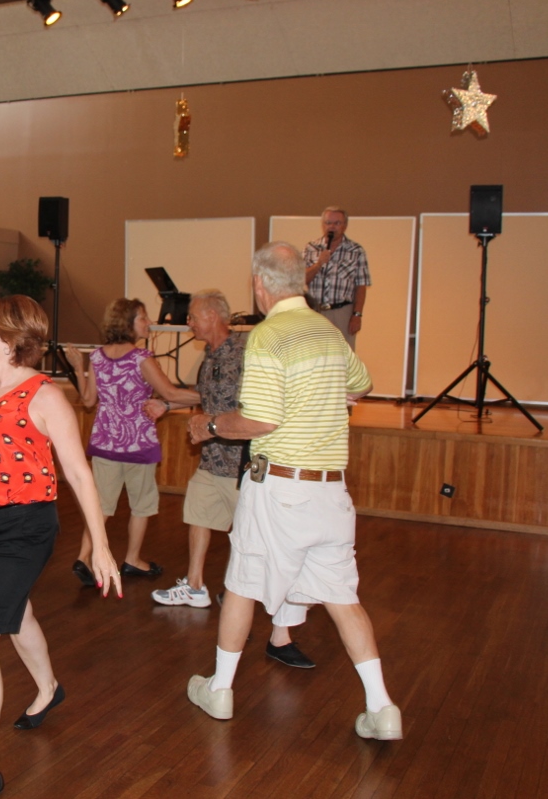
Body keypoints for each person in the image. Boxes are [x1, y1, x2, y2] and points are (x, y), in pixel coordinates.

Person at [184, 242, 401, 742]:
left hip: (280, 487)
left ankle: (220, 689)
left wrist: (209, 424)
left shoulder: (267, 337)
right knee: (343, 597)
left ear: (259, 286)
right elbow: (361, 384)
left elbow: (259, 420)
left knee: (242, 581)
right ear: (300, 281)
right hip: (332, 494)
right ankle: (382, 706)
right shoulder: (328, 331)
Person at [0, 295, 122, 799]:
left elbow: (78, 472)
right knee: (14, 613)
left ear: (12, 341)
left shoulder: (44, 395)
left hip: (24, 526)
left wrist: (100, 546)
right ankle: (49, 688)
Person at [144, 290, 316, 669]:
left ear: (212, 316)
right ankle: (194, 585)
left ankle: (280, 623)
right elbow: (208, 396)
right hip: (213, 458)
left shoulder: (242, 353)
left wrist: (210, 425)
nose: (188, 323)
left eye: (192, 317)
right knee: (198, 514)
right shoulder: (209, 357)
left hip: (242, 462)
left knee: (264, 543)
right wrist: (168, 404)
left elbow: (255, 407)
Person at [64, 298, 185, 581]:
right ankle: (132, 559)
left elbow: (88, 400)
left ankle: (84, 556)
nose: (148, 323)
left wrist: (79, 368)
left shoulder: (96, 357)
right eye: (142, 318)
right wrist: (207, 396)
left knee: (101, 504)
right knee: (141, 504)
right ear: (128, 323)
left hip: (106, 443)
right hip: (138, 443)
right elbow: (169, 393)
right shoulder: (142, 358)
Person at [303, 207, 371, 348]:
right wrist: (318, 264)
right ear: (323, 225)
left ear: (345, 226)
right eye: (328, 223)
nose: (332, 226)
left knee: (343, 358)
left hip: (342, 313)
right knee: (314, 355)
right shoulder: (311, 248)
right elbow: (301, 280)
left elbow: (361, 286)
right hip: (315, 312)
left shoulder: (356, 251)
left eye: (337, 223)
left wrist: (357, 315)